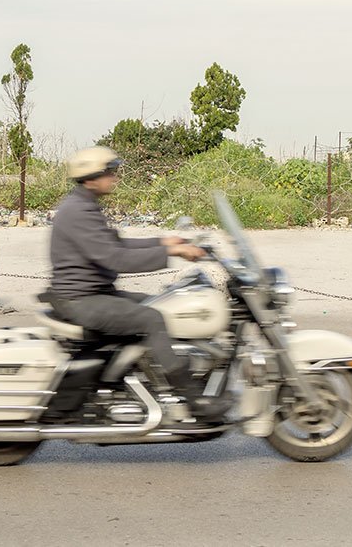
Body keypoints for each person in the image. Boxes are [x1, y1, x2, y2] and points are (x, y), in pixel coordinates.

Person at [44, 146, 228, 421]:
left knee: (160, 306)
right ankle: (192, 400)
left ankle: (147, 380)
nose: (115, 177)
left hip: (92, 293)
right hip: (80, 299)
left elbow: (115, 243)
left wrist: (165, 241)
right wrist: (172, 252)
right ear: (91, 178)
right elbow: (116, 258)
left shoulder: (84, 205)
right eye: (109, 172)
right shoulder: (78, 211)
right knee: (151, 319)